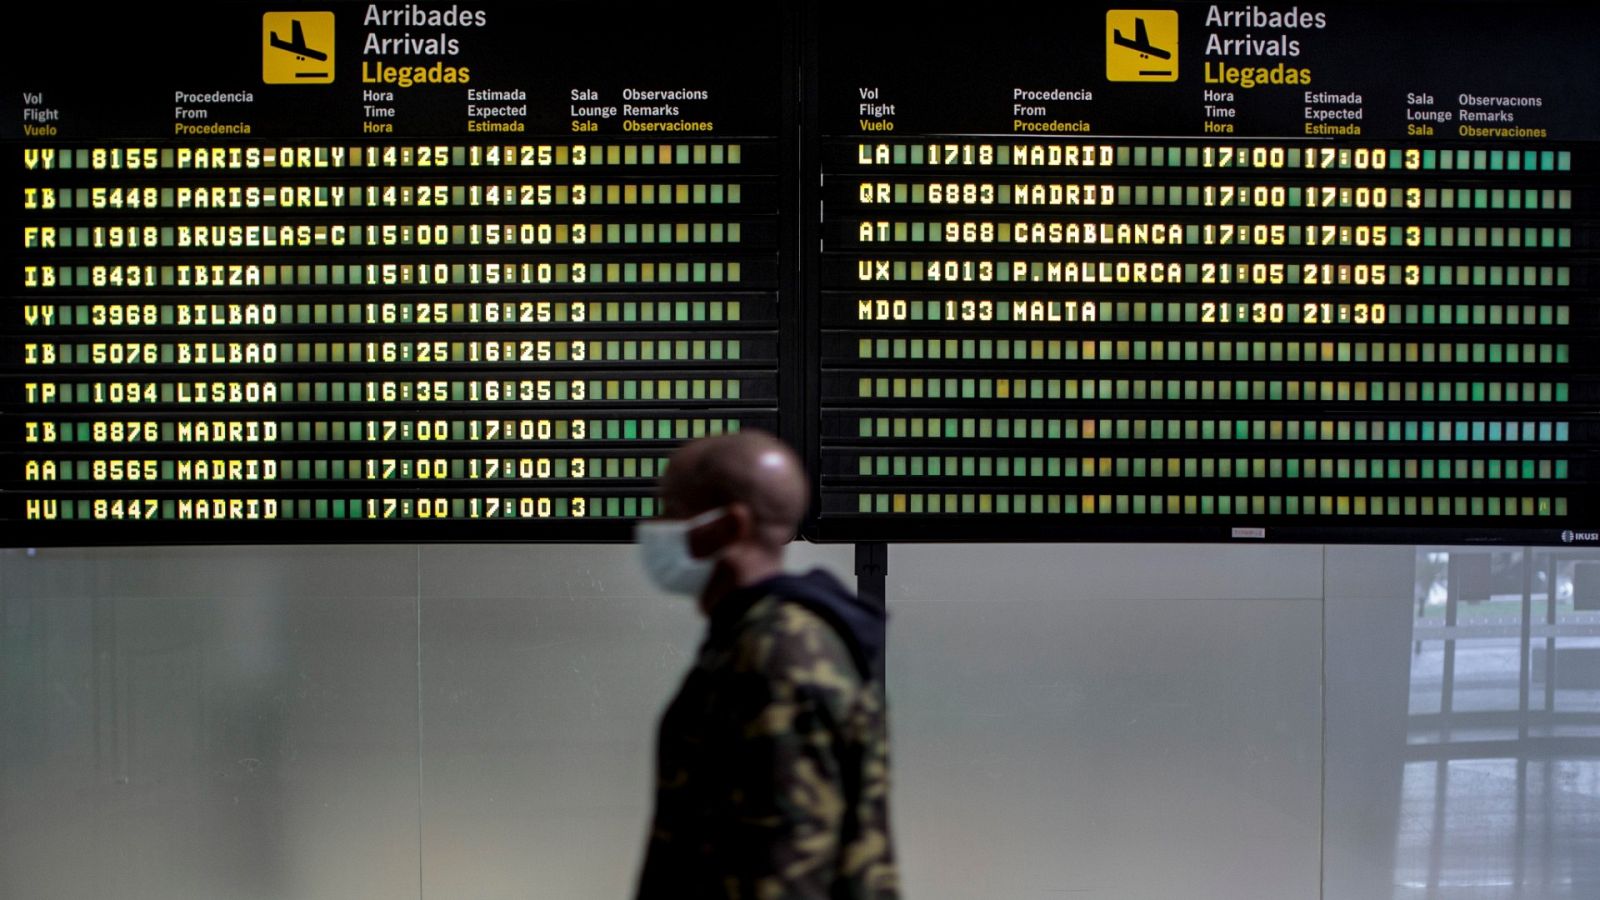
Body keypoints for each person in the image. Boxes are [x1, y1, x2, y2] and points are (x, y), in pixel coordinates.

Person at [633, 430, 900, 899]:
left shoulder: (777, 658)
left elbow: (787, 864)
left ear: (730, 526)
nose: (656, 526)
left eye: (672, 510)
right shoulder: (758, 642)